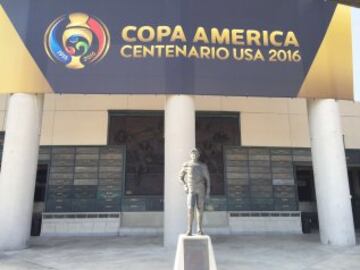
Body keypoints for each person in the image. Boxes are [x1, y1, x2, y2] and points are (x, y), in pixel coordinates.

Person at [179, 148, 210, 235]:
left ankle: (199, 229)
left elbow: (208, 179)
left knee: (200, 209)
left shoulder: (202, 166)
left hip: (201, 189)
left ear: (198, 155)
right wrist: (185, 185)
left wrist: (208, 191)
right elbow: (180, 177)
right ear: (190, 155)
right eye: (192, 154)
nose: (194, 155)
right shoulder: (186, 165)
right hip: (191, 189)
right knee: (190, 209)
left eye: (196, 154)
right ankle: (189, 230)